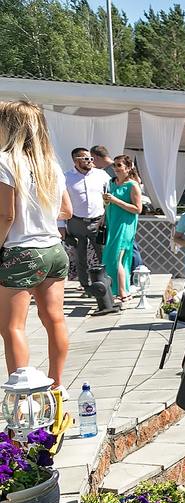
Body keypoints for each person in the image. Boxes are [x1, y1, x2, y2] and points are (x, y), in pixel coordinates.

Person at [0, 100, 73, 390]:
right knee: (55, 320)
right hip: (54, 248)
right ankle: (57, 387)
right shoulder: (50, 164)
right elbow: (66, 210)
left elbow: (6, 215)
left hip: (21, 250)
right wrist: (40, 212)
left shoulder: (5, 161)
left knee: (12, 326)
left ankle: (23, 396)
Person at [64, 147, 111, 289]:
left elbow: (113, 190)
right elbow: (59, 202)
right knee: (80, 257)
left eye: (91, 158)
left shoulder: (101, 175)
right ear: (75, 160)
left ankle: (105, 284)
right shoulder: (66, 177)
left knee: (104, 254)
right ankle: (85, 285)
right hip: (76, 221)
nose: (90, 161)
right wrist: (61, 226)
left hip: (98, 221)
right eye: (86, 158)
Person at [102, 154, 142, 301]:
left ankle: (122, 293)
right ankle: (121, 290)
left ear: (128, 167)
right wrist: (105, 210)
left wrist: (115, 200)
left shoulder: (132, 185)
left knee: (116, 258)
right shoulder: (111, 183)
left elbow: (138, 209)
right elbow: (108, 205)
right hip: (112, 223)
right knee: (112, 258)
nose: (116, 168)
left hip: (125, 226)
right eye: (115, 165)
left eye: (119, 165)